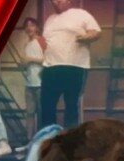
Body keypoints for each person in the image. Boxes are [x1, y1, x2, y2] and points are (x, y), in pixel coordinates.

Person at [39, 0, 101, 128]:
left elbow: (96, 32)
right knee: (47, 105)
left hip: (74, 66)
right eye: (53, 0)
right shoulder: (50, 19)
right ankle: (49, 137)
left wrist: (86, 37)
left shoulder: (81, 14)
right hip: (50, 67)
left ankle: (71, 138)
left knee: (71, 105)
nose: (56, 2)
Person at [21, 17, 46, 144]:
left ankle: (42, 139)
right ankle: (29, 139)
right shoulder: (26, 44)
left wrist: (31, 59)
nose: (29, 28)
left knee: (42, 112)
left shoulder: (41, 41)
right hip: (29, 83)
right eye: (27, 25)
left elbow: (48, 60)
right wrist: (24, 63)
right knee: (29, 113)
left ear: (36, 27)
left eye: (31, 25)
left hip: (41, 83)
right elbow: (25, 63)